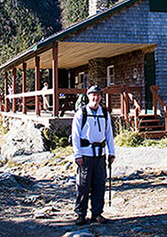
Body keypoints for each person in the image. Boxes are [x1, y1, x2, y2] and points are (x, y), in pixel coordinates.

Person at [72, 85, 115, 226]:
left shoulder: (104, 113)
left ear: (101, 97)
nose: (95, 98)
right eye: (93, 95)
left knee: (99, 184)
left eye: (98, 95)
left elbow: (109, 134)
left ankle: (97, 213)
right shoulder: (81, 113)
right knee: (83, 186)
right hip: (85, 155)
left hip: (100, 155)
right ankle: (80, 214)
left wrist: (111, 152)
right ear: (88, 96)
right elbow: (76, 135)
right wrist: (77, 155)